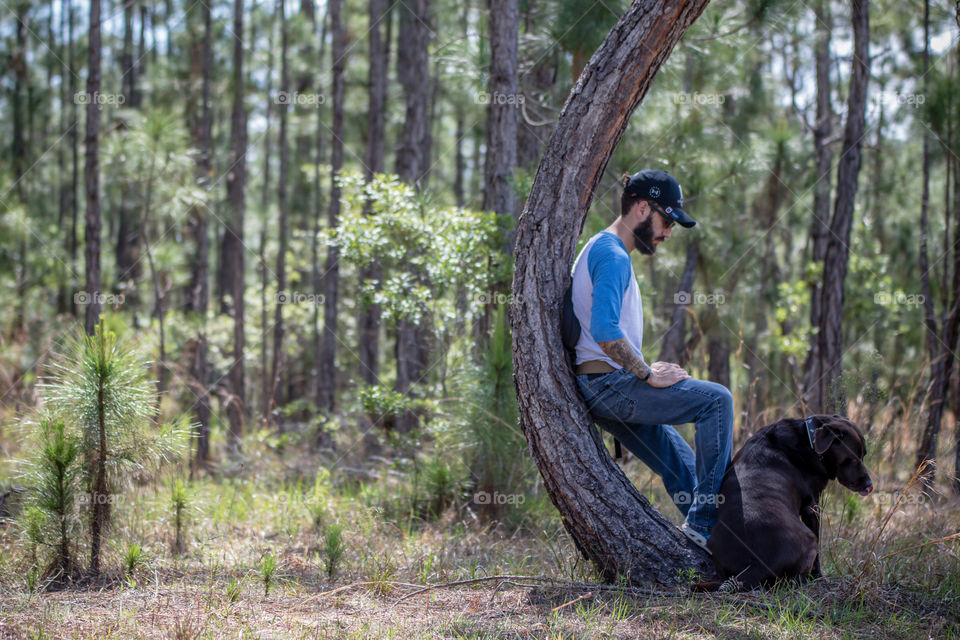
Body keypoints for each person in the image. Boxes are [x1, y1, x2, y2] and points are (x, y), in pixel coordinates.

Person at [570, 169, 734, 552]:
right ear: (642, 208)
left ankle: (707, 550)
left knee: (682, 464)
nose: (667, 233)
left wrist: (642, 373)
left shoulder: (604, 248)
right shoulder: (612, 255)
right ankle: (704, 527)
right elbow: (607, 331)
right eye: (666, 220)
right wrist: (647, 373)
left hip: (606, 386)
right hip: (609, 386)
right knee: (717, 400)